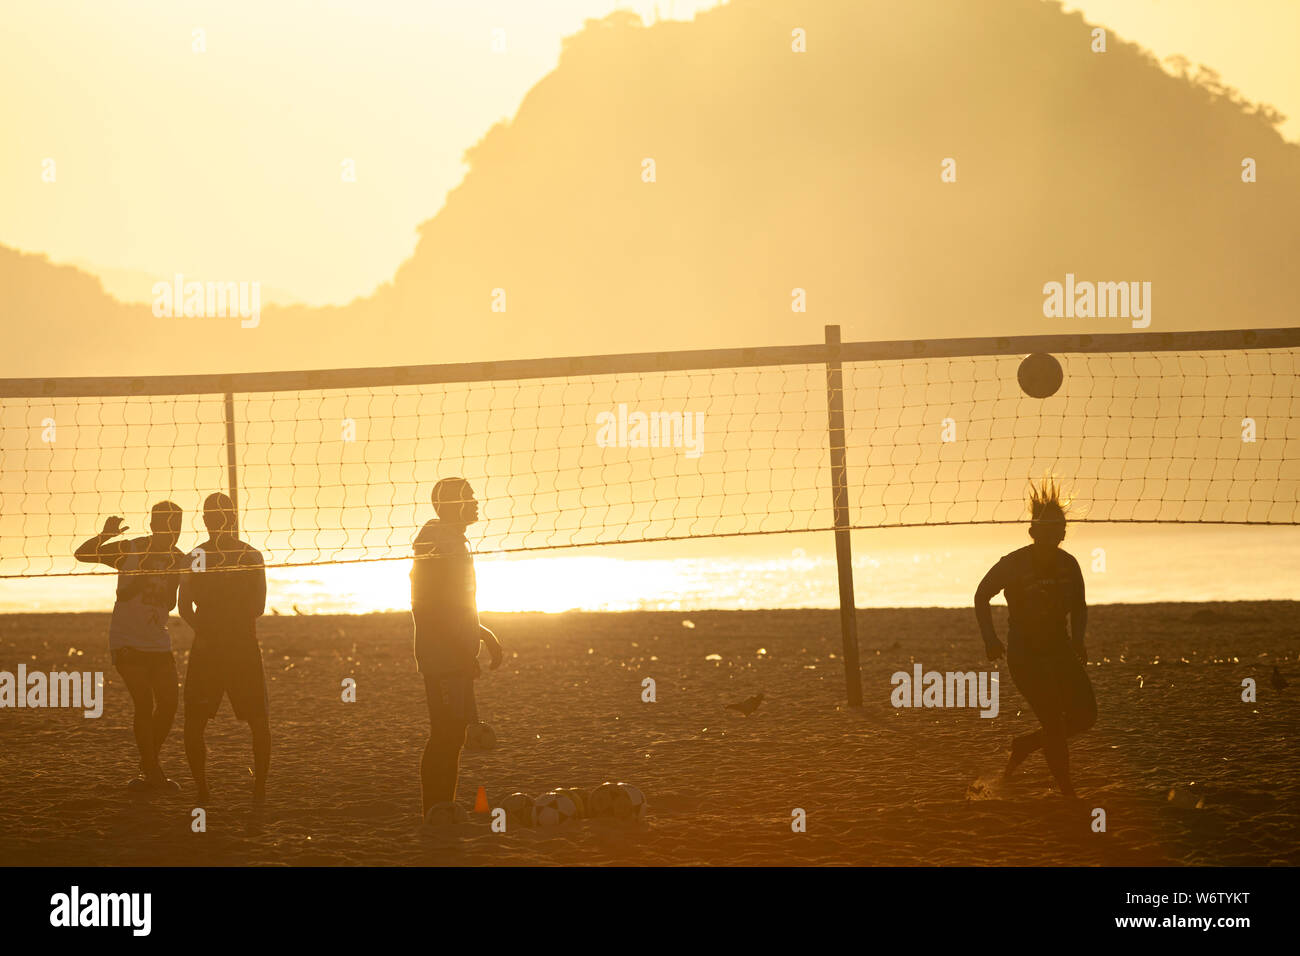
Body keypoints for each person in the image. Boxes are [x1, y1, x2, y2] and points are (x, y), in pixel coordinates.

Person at [974, 477, 1095, 798]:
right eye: (1054, 526)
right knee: (1054, 722)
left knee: (1086, 716)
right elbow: (981, 595)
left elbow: (1080, 606)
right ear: (1035, 532)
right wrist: (990, 639)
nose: (1060, 532)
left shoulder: (1069, 565)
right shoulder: (1013, 563)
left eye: (1062, 527)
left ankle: (1028, 743)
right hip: (1025, 656)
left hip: (1060, 650)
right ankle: (1068, 791)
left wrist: (1079, 640)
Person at [74, 501, 187, 791]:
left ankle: (149, 761)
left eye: (176, 526)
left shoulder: (178, 558)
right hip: (126, 640)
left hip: (157, 641)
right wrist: (105, 534)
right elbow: (83, 554)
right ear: (152, 526)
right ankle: (152, 769)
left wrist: (165, 583)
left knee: (169, 704)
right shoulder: (132, 549)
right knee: (144, 702)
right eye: (166, 525)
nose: (172, 532)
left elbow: (172, 602)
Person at [411, 477, 503, 819]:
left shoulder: (452, 542)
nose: (477, 502)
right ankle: (435, 810)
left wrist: (482, 633)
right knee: (446, 736)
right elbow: (432, 605)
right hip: (443, 656)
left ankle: (442, 807)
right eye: (468, 497)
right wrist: (462, 652)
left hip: (452, 651)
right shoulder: (438, 544)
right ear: (450, 505)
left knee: (453, 735)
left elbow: (454, 603)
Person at [177, 492, 269, 805]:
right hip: (239, 644)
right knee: (256, 720)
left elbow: (184, 607)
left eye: (212, 515)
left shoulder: (197, 556)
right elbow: (259, 606)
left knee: (198, 721)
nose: (210, 520)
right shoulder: (250, 555)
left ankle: (204, 791)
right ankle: (256, 791)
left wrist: (206, 627)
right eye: (209, 515)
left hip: (212, 646)